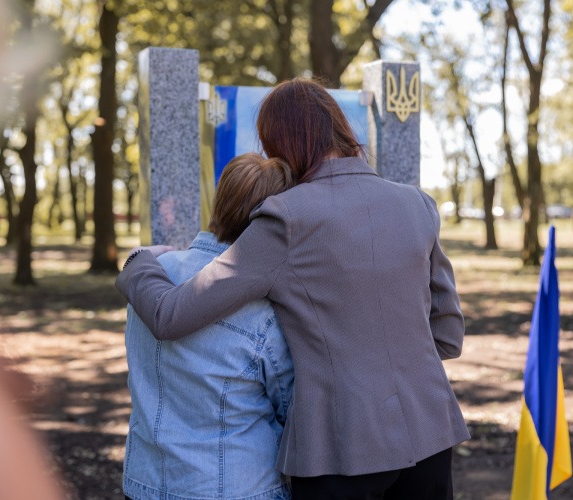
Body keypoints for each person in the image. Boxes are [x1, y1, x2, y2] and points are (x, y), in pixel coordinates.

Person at [117, 79, 469, 500]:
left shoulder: (285, 219)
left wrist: (138, 263)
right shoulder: (418, 203)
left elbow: (169, 315)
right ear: (340, 128)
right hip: (431, 434)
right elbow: (447, 335)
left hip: (341, 453)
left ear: (280, 144)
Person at [123, 153, 296, 500]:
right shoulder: (265, 305)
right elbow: (290, 406)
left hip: (145, 483)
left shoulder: (152, 273)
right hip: (236, 485)